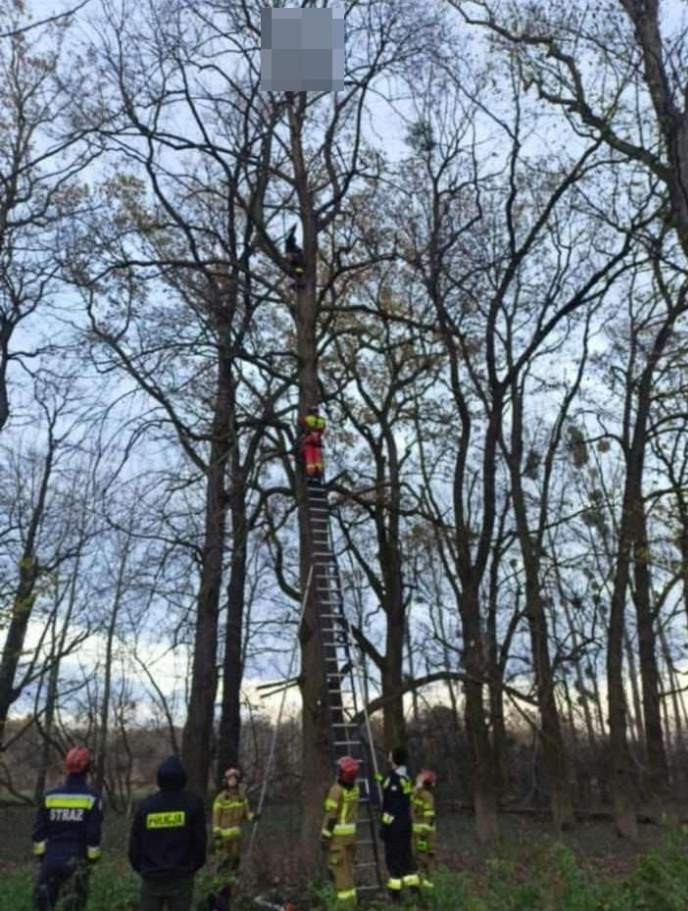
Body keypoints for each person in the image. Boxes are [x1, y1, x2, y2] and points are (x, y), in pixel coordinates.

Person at [128, 755, 207, 911]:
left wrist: (143, 868)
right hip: (181, 876)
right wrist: (192, 867)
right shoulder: (193, 804)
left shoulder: (147, 806)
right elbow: (200, 842)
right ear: (183, 778)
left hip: (151, 876)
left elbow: (134, 844)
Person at [31, 745, 103, 911]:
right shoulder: (92, 798)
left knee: (43, 905)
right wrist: (92, 860)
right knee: (74, 906)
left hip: (50, 862)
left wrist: (44, 857)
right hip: (77, 862)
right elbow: (93, 835)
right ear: (88, 767)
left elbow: (38, 833)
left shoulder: (50, 797)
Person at [379, 746, 419, 903]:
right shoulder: (406, 778)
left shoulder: (394, 780)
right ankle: (415, 892)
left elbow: (391, 807)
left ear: (395, 759)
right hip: (405, 825)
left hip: (395, 827)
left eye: (390, 755)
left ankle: (396, 896)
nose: (388, 756)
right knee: (406, 858)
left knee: (393, 860)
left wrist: (385, 825)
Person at [320, 756, 360, 907]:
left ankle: (345, 906)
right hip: (351, 838)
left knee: (341, 876)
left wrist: (324, 837)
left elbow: (331, 817)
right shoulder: (355, 788)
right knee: (349, 872)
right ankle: (353, 903)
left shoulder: (336, 790)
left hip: (338, 840)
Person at [211, 767, 256, 893]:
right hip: (223, 839)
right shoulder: (220, 799)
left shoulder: (242, 798)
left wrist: (254, 816)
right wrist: (217, 837)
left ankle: (232, 889)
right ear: (225, 781)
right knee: (222, 864)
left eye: (234, 778)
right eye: (229, 778)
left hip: (236, 838)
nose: (232, 781)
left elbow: (247, 815)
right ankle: (218, 890)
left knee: (235, 863)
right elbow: (215, 820)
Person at [412, 769, 437, 893]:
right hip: (418, 835)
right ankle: (421, 887)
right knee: (418, 859)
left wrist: (423, 837)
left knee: (424, 860)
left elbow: (429, 818)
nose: (417, 779)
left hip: (424, 837)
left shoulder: (427, 796)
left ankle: (428, 888)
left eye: (420, 778)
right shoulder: (418, 793)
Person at [298, 406, 326, 478]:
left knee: (310, 458)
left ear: (311, 412)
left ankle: (310, 474)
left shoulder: (308, 418)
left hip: (309, 441)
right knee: (318, 459)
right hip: (318, 443)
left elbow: (300, 422)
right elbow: (323, 429)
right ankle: (319, 473)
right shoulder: (322, 420)